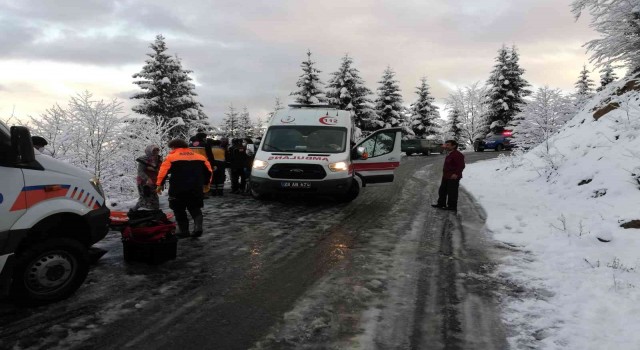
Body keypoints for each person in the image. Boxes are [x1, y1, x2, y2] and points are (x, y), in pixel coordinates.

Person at [156, 139, 212, 238]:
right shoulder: (200, 157)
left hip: (178, 188)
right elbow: (208, 171)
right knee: (195, 207)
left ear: (174, 147)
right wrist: (206, 184)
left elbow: (163, 171)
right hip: (195, 188)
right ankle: (198, 227)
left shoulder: (171, 157)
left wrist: (159, 184)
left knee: (179, 209)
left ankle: (184, 231)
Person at [432, 140, 465, 211]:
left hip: (453, 176)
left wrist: (456, 174)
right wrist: (442, 146)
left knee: (452, 192)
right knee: (442, 190)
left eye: (448, 145)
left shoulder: (457, 154)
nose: (446, 146)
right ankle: (441, 204)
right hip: (446, 176)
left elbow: (461, 166)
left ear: (454, 146)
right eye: (446, 145)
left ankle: (452, 206)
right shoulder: (449, 153)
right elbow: (441, 148)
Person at [133, 144, 161, 210]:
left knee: (154, 198)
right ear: (149, 151)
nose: (156, 151)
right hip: (144, 182)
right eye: (154, 150)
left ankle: (154, 212)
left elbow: (161, 169)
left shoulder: (158, 159)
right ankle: (135, 211)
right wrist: (147, 179)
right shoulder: (143, 159)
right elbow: (140, 172)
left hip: (154, 181)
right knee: (145, 198)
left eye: (157, 150)